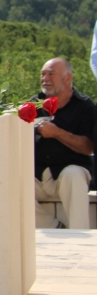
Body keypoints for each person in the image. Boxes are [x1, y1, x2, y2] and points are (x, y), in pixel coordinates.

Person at [34, 58, 96, 229]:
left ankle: (80, 238)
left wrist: (57, 133)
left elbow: (88, 147)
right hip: (38, 176)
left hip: (67, 175)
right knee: (7, 184)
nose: (45, 78)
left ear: (67, 78)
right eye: (43, 74)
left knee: (73, 175)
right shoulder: (32, 105)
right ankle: (55, 228)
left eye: (51, 74)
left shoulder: (84, 106)